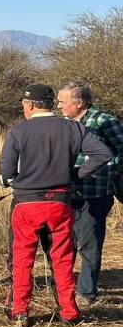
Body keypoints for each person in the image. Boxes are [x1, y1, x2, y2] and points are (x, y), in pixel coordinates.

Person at [0, 84, 112, 326]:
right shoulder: (73, 127)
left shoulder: (19, 131)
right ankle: (69, 311)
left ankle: (20, 311)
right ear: (51, 104)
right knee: (62, 257)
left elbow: (6, 171)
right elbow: (103, 154)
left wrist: (15, 180)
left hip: (27, 204)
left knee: (23, 258)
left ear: (29, 105)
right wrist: (75, 175)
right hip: (61, 202)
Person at [57, 81, 123, 307]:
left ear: (79, 103)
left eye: (62, 102)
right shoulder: (64, 123)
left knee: (90, 243)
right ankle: (65, 290)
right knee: (67, 242)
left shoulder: (104, 121)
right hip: (67, 192)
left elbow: (121, 149)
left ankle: (86, 292)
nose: (59, 106)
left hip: (95, 193)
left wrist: (109, 170)